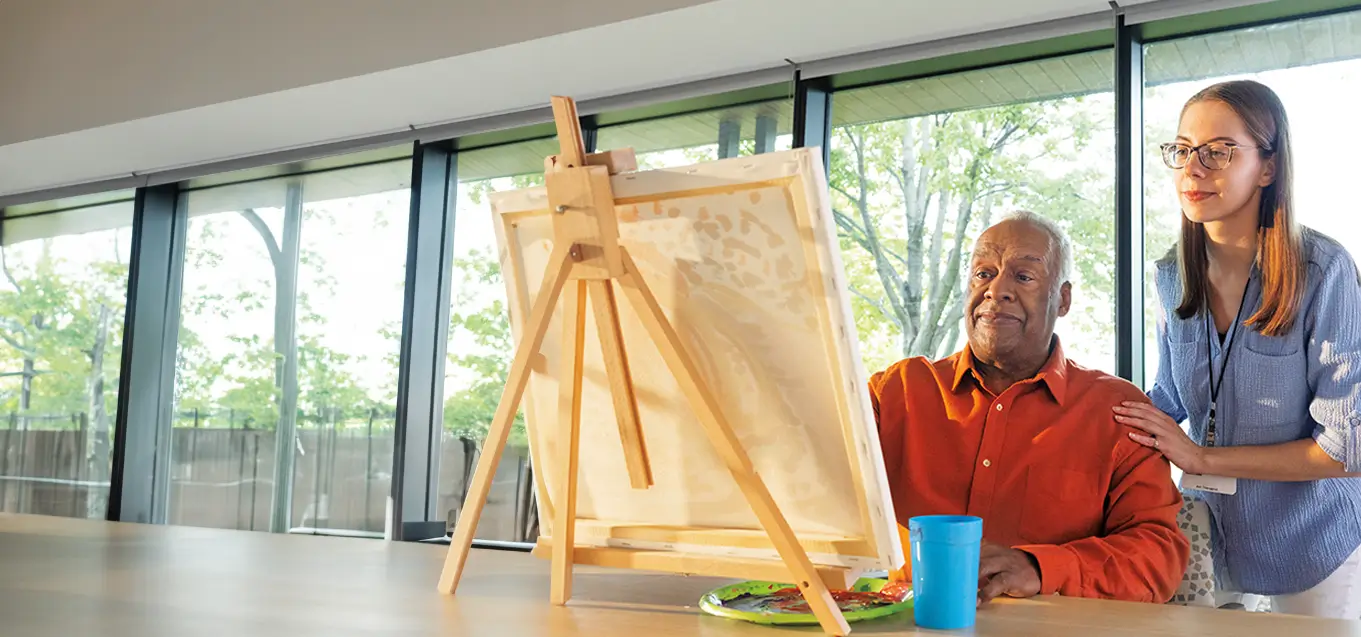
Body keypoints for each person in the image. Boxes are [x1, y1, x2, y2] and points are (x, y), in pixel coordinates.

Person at [1115, 79, 1361, 618]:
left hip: (1313, 549)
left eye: (1218, 152)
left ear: (1268, 168)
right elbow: (1169, 397)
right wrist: (1080, 417)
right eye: (1182, 151)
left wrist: (1201, 457)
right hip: (1211, 543)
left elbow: (1347, 450)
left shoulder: (1325, 272)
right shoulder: (1169, 276)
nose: (1192, 169)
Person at [870, 211, 1190, 604]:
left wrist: (1041, 568)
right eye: (983, 273)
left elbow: (1157, 560)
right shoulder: (893, 393)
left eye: (1023, 277)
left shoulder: (1119, 412)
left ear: (1064, 299)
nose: (996, 290)